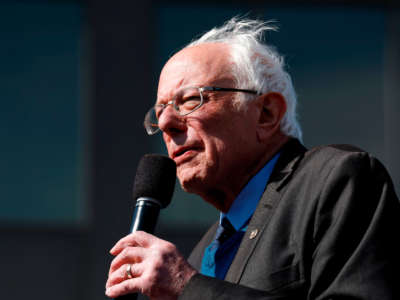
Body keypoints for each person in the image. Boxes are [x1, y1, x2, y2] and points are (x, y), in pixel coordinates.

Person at [105, 18, 400, 299]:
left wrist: (189, 288)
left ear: (266, 114)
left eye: (190, 99)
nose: (167, 123)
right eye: (160, 112)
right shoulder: (202, 253)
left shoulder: (338, 181)